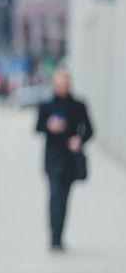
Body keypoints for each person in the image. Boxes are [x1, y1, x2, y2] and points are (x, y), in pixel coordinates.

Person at [36, 68, 93, 251]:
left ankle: (59, 235)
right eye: (59, 84)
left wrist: (79, 140)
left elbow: (90, 130)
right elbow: (37, 127)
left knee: (64, 198)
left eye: (65, 84)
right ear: (54, 85)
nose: (62, 88)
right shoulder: (47, 105)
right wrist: (49, 126)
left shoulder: (78, 105)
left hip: (70, 160)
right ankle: (54, 237)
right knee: (55, 196)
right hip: (52, 160)